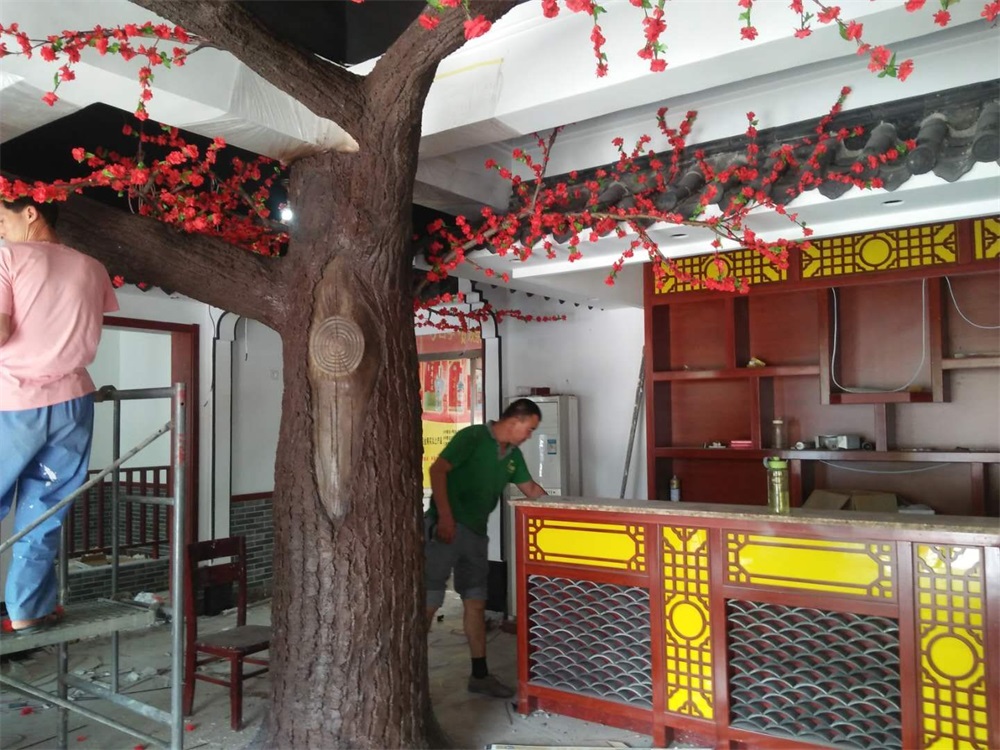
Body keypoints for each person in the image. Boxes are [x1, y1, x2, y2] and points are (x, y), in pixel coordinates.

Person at [0, 196, 119, 634]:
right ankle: (28, 611)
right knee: (44, 508)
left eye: (1, 218)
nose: (0, 229)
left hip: (12, 400)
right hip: (73, 402)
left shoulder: (8, 257)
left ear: (30, 212)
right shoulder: (93, 267)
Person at [425, 397, 547, 698]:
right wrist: (446, 517)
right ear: (516, 420)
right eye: (529, 429)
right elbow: (438, 471)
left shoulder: (513, 456)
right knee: (429, 601)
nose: (529, 435)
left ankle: (480, 675)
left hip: (477, 535)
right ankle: (408, 672)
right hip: (445, 529)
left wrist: (564, 512)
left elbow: (531, 489)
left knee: (476, 602)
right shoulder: (474, 437)